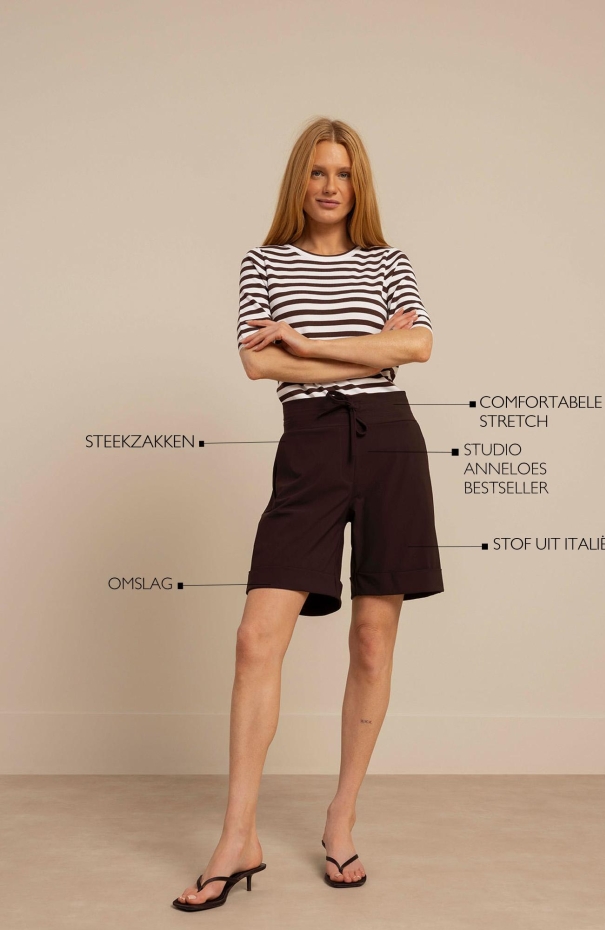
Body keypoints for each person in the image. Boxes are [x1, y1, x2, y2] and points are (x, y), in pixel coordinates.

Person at [173, 117, 444, 912]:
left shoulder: (389, 262)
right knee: (257, 637)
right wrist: (359, 347)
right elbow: (258, 364)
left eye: (344, 173)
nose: (331, 186)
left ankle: (340, 820)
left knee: (373, 640)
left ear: (360, 185)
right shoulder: (263, 263)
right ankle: (238, 837)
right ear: (300, 180)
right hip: (311, 445)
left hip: (389, 442)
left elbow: (419, 349)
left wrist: (303, 342)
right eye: (319, 172)